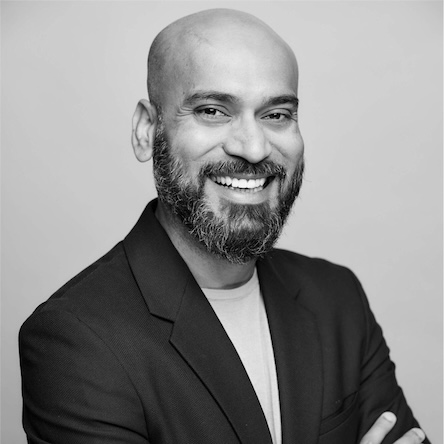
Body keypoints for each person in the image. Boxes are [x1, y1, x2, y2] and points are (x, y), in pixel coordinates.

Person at [19, 9, 430, 444]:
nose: (253, 148)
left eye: (276, 114)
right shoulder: (77, 338)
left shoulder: (337, 298)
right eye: (213, 111)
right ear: (146, 130)